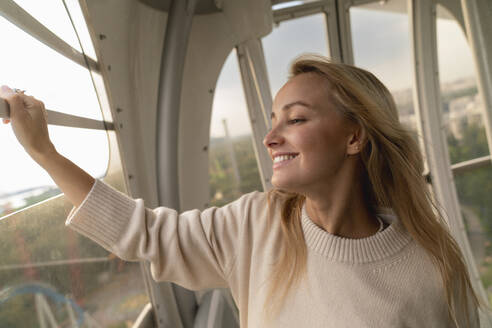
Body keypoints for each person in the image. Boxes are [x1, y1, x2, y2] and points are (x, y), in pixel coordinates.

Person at [1, 54, 486, 327]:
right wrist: (44, 151)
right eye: (274, 120)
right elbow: (141, 232)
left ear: (355, 137)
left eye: (295, 119)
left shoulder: (429, 269)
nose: (271, 137)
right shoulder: (255, 224)